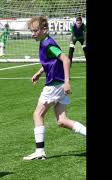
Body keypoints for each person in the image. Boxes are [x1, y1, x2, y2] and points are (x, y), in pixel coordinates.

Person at [23, 16, 86, 160]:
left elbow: (66, 59)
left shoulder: (48, 44)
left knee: (37, 115)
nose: (33, 34)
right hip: (60, 85)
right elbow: (50, 62)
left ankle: (39, 152)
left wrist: (67, 81)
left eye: (35, 31)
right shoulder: (45, 42)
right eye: (31, 31)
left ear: (44, 30)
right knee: (62, 121)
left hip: (54, 85)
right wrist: (39, 72)